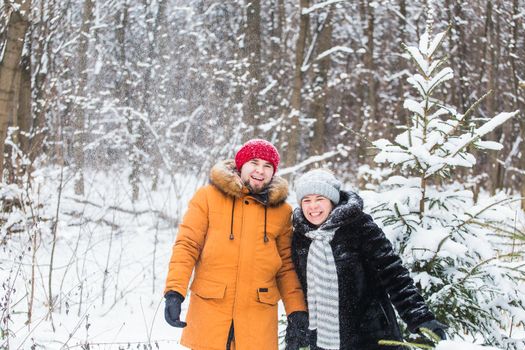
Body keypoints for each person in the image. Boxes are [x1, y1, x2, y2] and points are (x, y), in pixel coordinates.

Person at [164, 139, 308, 350]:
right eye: (254, 163)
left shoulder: (282, 211)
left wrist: (296, 311)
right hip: (211, 312)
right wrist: (174, 292)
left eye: (268, 166)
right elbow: (187, 245)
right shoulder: (207, 197)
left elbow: (285, 266)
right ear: (240, 165)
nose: (260, 170)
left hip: (257, 319)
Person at [288, 169, 447, 350]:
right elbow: (299, 288)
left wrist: (419, 317)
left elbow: (394, 275)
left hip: (373, 335)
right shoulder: (300, 238)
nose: (313, 207)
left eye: (320, 199)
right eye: (306, 200)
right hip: (323, 340)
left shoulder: (360, 227)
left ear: (332, 201)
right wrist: (296, 329)